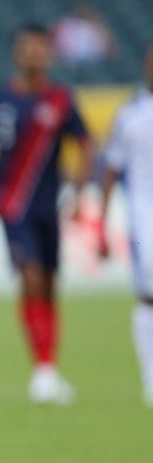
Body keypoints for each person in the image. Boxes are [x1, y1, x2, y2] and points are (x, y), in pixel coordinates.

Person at [0, 23, 94, 405]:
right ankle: (42, 371)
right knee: (32, 276)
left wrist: (80, 190)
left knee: (50, 284)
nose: (34, 54)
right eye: (28, 48)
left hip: (48, 205)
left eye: (41, 48)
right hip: (12, 205)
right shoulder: (0, 97)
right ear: (16, 53)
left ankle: (49, 368)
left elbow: (86, 144)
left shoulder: (61, 99)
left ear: (49, 53)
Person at [98, 41, 153, 407]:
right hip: (145, 218)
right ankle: (151, 378)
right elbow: (111, 170)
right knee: (149, 297)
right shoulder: (130, 115)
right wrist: (100, 221)